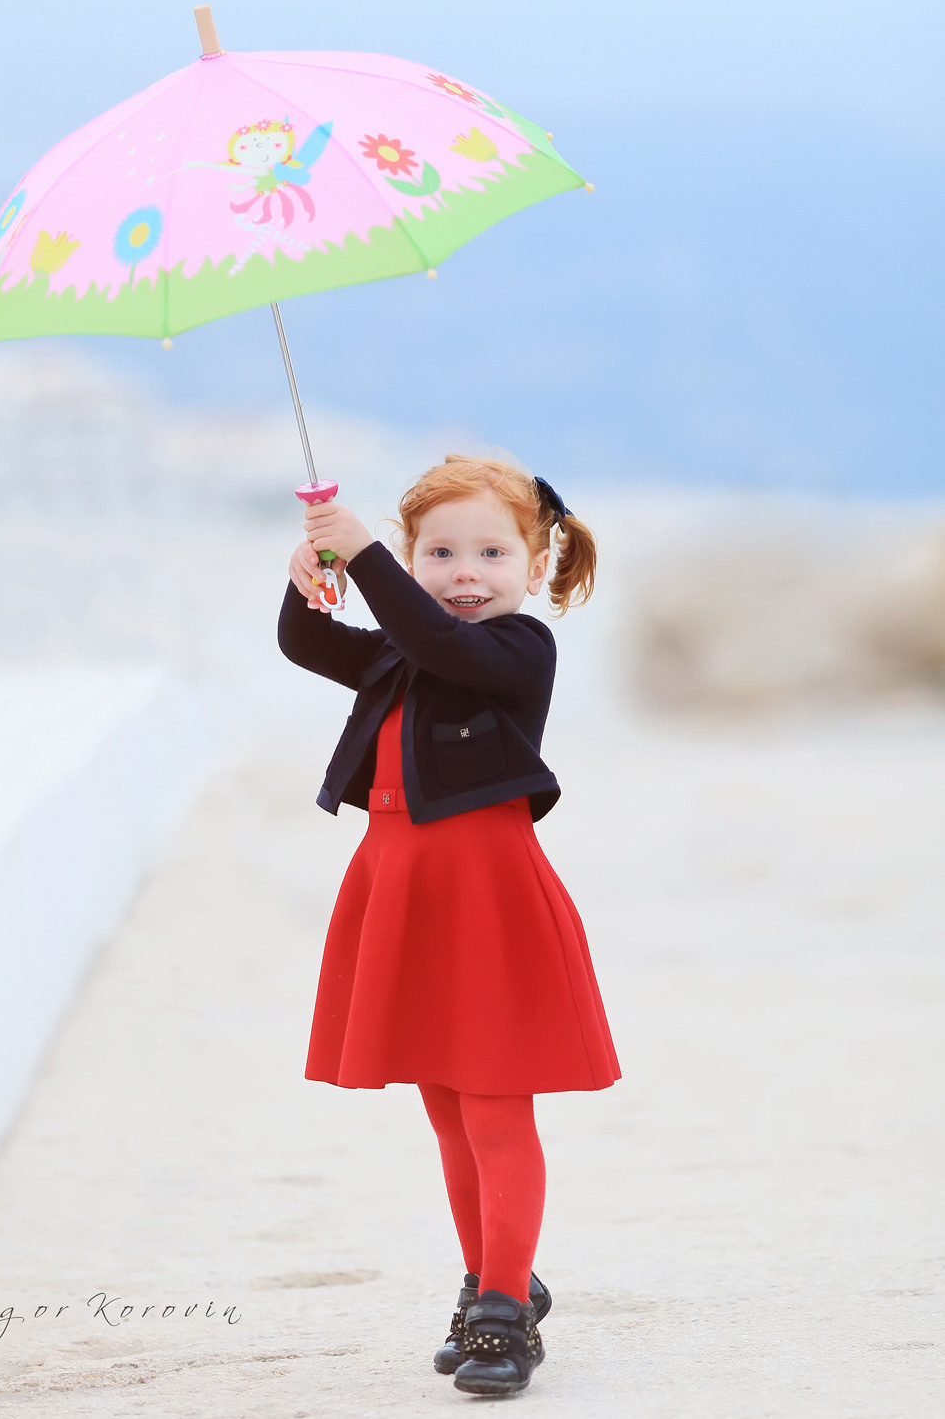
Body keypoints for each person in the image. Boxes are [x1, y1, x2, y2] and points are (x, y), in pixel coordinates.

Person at [277, 453, 621, 1398]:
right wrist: (308, 578)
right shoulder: (397, 652)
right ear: (410, 559)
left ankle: (505, 1311)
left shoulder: (517, 650)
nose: (464, 572)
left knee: (496, 1107)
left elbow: (444, 646)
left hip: (486, 900)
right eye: (437, 553)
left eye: (490, 553)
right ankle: (489, 1282)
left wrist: (366, 560)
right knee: (447, 1112)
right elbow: (306, 644)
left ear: (536, 566)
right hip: (402, 890)